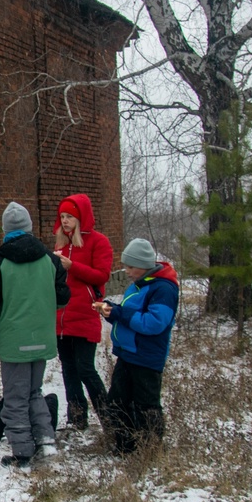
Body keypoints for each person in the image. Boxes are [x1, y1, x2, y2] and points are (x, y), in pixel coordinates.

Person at [0, 201, 70, 469]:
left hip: (14, 343)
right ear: (28, 228)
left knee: (15, 398)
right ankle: (45, 441)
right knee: (34, 392)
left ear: (5, 230)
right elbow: (62, 298)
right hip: (42, 339)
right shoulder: (50, 260)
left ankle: (23, 452)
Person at [93, 238, 179, 455]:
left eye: (131, 266)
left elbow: (154, 323)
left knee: (146, 406)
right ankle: (125, 447)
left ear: (144, 265)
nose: (126, 271)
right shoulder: (137, 286)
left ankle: (150, 450)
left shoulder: (163, 289)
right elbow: (129, 314)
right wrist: (112, 311)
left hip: (147, 357)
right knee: (118, 403)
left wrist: (120, 313)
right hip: (127, 354)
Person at [52, 194, 114, 431]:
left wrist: (72, 266)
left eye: (70, 217)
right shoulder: (61, 245)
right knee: (68, 369)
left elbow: (101, 275)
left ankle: (109, 418)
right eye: (62, 217)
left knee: (85, 368)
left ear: (81, 218)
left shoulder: (98, 242)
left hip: (85, 315)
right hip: (62, 318)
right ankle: (77, 419)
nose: (65, 221)